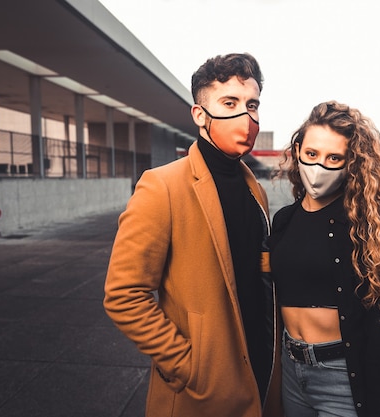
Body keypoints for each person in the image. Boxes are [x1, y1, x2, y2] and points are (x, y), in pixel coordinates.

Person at [103, 53, 282, 417]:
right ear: (200, 115)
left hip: (261, 370)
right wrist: (187, 365)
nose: (245, 117)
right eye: (229, 103)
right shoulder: (162, 186)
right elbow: (124, 294)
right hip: (204, 390)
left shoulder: (254, 189)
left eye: (252, 105)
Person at [268, 101, 380, 417]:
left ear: (351, 163)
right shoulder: (283, 220)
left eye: (334, 157)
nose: (320, 166)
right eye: (312, 154)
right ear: (297, 150)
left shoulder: (367, 228)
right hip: (292, 373)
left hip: (341, 377)